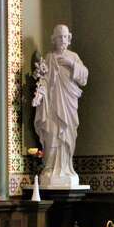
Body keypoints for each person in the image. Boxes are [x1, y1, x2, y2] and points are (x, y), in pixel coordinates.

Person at [33, 24, 88, 188]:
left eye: (65, 36)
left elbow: (84, 77)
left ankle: (66, 169)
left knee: (68, 134)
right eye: (59, 37)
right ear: (54, 39)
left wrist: (72, 64)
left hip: (69, 105)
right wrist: (38, 95)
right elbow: (43, 80)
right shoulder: (49, 58)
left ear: (69, 38)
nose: (62, 40)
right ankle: (50, 168)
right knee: (52, 133)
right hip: (52, 105)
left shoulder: (73, 56)